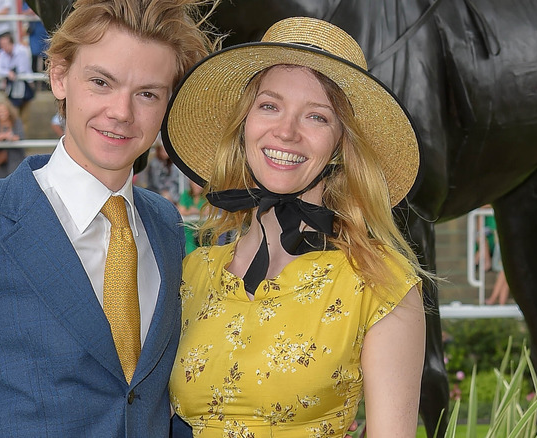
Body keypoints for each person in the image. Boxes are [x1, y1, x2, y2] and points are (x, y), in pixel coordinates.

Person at [0, 0, 217, 435]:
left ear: (169, 102)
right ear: (59, 76)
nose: (121, 112)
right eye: (101, 82)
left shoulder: (166, 225)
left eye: (147, 93)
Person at [163, 17, 427, 437]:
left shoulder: (382, 286)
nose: (285, 132)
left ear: (342, 142)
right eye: (269, 106)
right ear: (244, 124)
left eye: (317, 117)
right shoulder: (192, 273)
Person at [0, 32, 32, 132]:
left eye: (5, 45)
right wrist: (8, 73)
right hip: (12, 88)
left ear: (11, 43)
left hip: (25, 87)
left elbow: (22, 69)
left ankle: (23, 142)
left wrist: (9, 72)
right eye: (2, 45)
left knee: (24, 117)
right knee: (14, 116)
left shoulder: (22, 51)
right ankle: (15, 138)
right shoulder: (2, 53)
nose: (3, 47)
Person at [144, 135, 182, 205]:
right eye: (162, 150)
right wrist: (163, 192)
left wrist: (171, 194)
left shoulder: (173, 164)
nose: (165, 153)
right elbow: (155, 182)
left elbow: (175, 180)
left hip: (171, 193)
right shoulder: (154, 163)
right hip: (156, 191)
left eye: (166, 150)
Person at [0, 100, 24, 179]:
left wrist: (6, 136)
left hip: (15, 157)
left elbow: (20, 136)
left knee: (15, 179)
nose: (1, 113)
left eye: (3, 111)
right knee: (1, 180)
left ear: (8, 111)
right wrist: (6, 136)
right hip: (2, 158)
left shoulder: (16, 122)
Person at [177, 180, 205, 255]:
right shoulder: (186, 194)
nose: (197, 187)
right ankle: (190, 255)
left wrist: (192, 211)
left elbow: (209, 211)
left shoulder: (206, 196)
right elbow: (181, 210)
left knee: (205, 234)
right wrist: (192, 212)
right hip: (190, 227)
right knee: (187, 231)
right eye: (195, 184)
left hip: (203, 226)